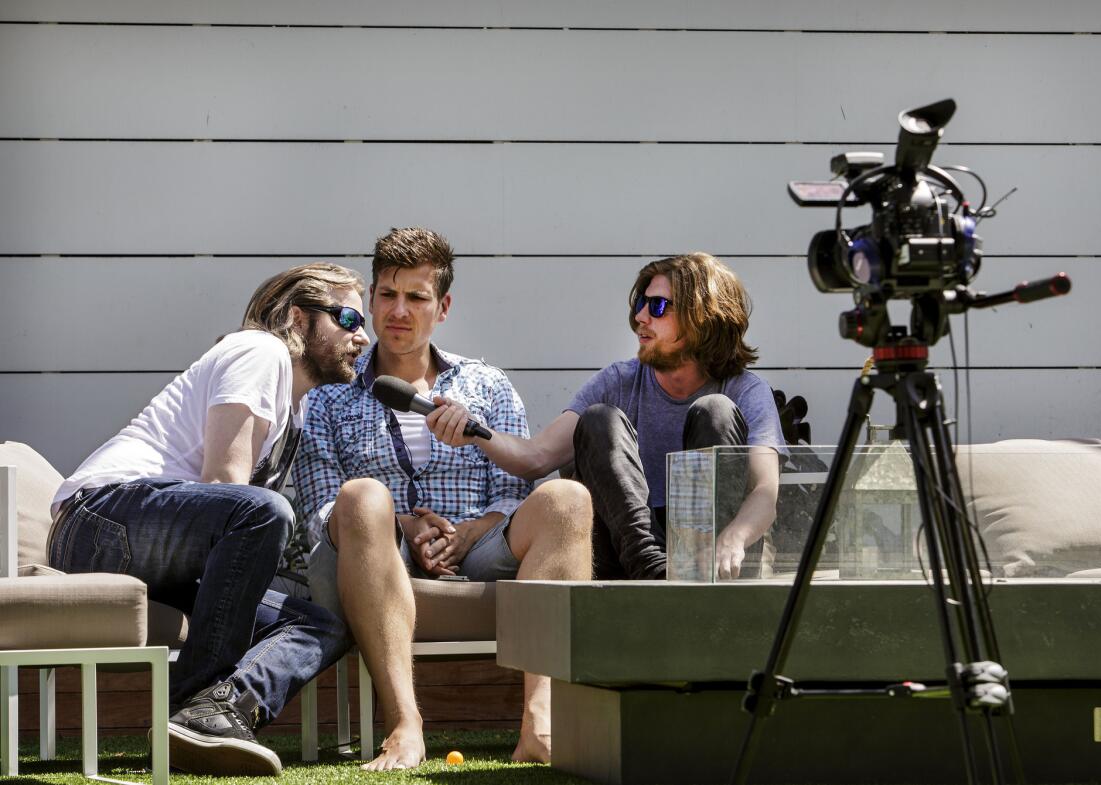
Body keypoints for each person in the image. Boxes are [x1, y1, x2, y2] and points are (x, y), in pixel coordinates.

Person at [47, 263, 368, 775]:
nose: (362, 336)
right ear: (296, 316)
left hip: (162, 548)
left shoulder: (295, 405)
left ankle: (218, 711)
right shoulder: (260, 351)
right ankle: (189, 705)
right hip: (98, 522)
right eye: (348, 317)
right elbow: (226, 488)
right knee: (262, 510)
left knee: (318, 625)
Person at [293, 227, 592, 771]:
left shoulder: (486, 385)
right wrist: (401, 525)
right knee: (361, 496)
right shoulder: (330, 389)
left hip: (480, 544)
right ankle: (405, 725)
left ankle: (539, 724)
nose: (398, 311)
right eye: (387, 294)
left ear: (443, 306)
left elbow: (513, 491)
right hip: (375, 552)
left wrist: (471, 531)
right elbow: (318, 513)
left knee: (567, 498)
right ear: (372, 300)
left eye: (416, 296)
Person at [429, 252, 783, 580]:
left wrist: (734, 538)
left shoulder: (744, 390)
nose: (640, 318)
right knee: (599, 420)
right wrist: (474, 431)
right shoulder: (619, 381)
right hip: (630, 552)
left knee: (716, 412)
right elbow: (535, 458)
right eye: (640, 305)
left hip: (716, 558)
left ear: (701, 317)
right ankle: (654, 572)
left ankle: (696, 575)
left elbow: (766, 491)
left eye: (658, 306)